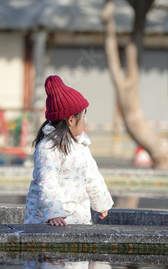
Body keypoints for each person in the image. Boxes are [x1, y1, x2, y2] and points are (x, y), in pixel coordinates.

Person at [24, 75, 114, 226]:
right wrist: (53, 213)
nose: (85, 121)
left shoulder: (81, 144)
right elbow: (47, 182)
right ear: (71, 120)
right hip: (47, 221)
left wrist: (101, 203)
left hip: (77, 218)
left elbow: (92, 175)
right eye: (83, 116)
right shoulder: (48, 148)